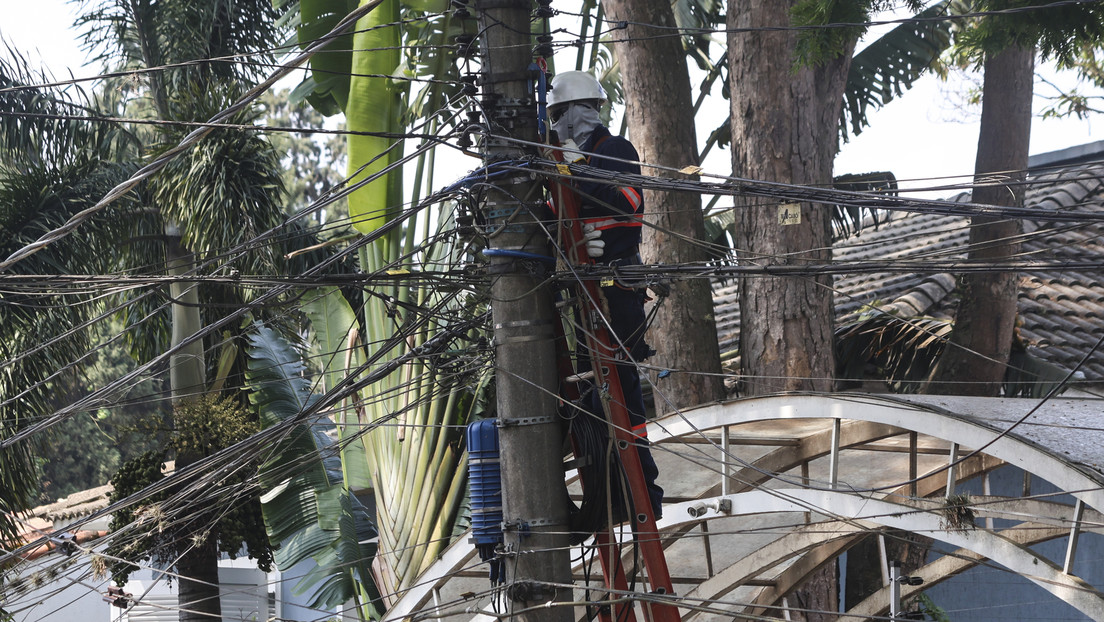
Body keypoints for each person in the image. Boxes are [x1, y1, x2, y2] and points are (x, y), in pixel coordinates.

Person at [546, 70, 663, 522]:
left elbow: (628, 202)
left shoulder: (614, 150)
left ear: (585, 111)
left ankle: (640, 491)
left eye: (566, 113)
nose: (563, 122)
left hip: (618, 289)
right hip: (583, 293)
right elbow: (554, 218)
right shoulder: (558, 164)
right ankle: (605, 493)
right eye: (556, 115)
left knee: (618, 390)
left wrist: (578, 170)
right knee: (590, 396)